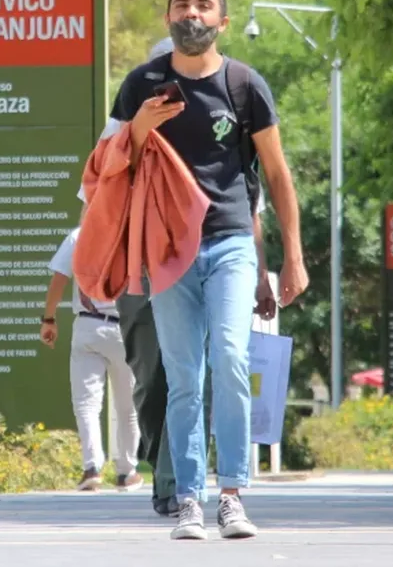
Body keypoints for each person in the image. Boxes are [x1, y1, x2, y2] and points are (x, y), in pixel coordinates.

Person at [112, 0, 307, 540]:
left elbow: (275, 174)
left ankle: (233, 495)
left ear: (222, 22)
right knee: (183, 375)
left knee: (228, 354)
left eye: (203, 6)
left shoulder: (244, 84)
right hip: (165, 248)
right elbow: (110, 168)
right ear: (168, 17)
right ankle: (189, 499)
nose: (191, 13)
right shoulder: (141, 85)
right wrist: (140, 130)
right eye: (181, 5)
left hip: (228, 242)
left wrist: (291, 257)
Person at [76, 36, 277, 518]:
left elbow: (253, 210)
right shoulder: (131, 112)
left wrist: (263, 275)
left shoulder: (227, 120)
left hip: (219, 253)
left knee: (213, 366)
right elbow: (97, 186)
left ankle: (183, 487)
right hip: (143, 267)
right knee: (152, 381)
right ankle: (166, 471)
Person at [40, 227, 144, 493]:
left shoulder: (79, 235)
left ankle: (92, 468)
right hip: (124, 328)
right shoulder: (130, 231)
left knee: (86, 404)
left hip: (87, 325)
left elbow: (59, 280)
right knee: (128, 406)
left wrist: (49, 319)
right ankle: (126, 471)